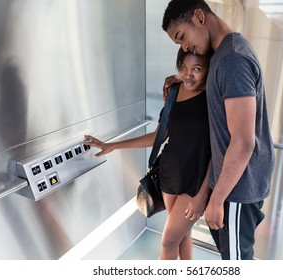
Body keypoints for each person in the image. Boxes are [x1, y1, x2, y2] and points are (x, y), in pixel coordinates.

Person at [162, 0, 275, 260]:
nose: (185, 47)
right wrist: (184, 78)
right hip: (231, 181)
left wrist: (215, 199)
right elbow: (220, 85)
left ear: (199, 17)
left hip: (238, 187)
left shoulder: (232, 60)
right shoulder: (224, 53)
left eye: (182, 37)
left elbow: (243, 142)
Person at [84, 48, 212, 260]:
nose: (188, 74)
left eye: (197, 69)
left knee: (169, 240)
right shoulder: (173, 91)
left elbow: (221, 150)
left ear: (209, 69)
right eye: (183, 67)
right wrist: (112, 145)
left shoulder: (214, 97)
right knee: (182, 235)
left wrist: (204, 194)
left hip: (196, 181)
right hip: (169, 175)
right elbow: (159, 136)